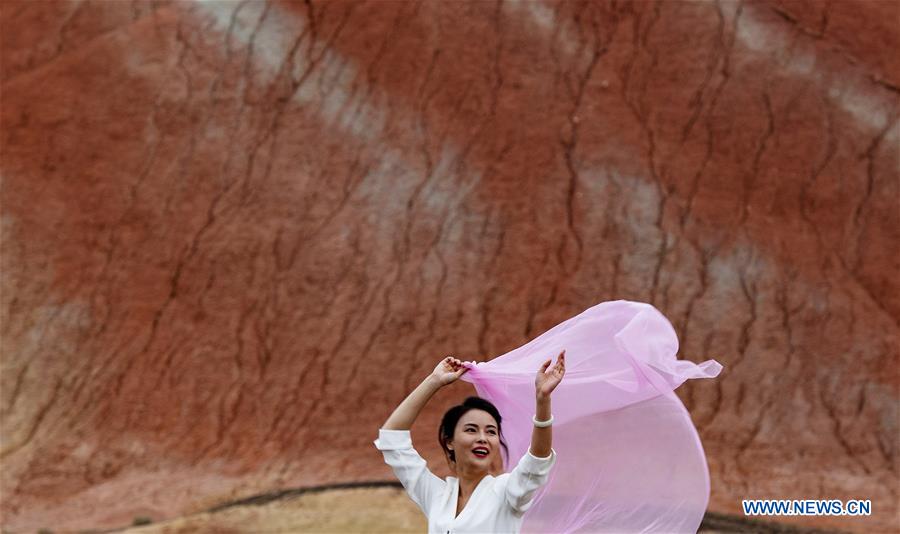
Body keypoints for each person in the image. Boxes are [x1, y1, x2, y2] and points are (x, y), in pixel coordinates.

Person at [374, 352, 566, 534]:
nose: (482, 438)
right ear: (450, 442)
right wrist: (434, 381)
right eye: (471, 429)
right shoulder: (437, 496)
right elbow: (392, 439)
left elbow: (537, 461)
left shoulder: (506, 491)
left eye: (491, 432)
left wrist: (542, 401)